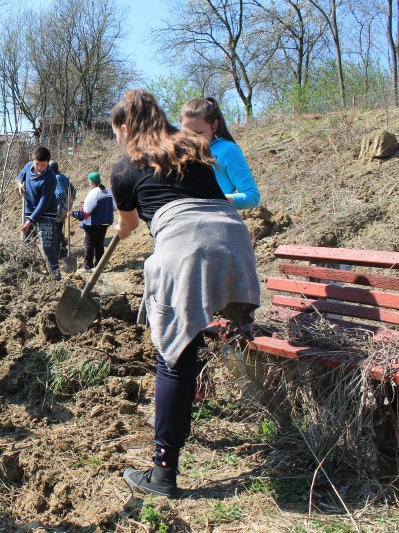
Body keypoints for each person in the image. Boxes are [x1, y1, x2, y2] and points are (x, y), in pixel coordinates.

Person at [110, 90, 260, 498]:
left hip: (186, 245)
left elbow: (129, 224)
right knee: (196, 338)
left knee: (174, 357)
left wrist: (121, 228)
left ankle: (162, 474)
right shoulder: (191, 146)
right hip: (232, 240)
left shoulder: (125, 167)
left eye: (116, 132)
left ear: (125, 128)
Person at [180, 97, 260, 210]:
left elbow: (253, 197)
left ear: (214, 125)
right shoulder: (178, 156)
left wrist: (217, 200)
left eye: (199, 132)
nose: (192, 139)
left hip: (218, 221)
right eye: (186, 133)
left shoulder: (227, 150)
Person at [16, 146, 60, 279]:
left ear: (48, 163)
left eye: (43, 165)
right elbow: (20, 175)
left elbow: (43, 203)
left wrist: (30, 221)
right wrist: (19, 184)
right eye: (37, 164)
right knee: (27, 244)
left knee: (48, 246)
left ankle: (56, 277)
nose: (40, 168)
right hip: (28, 210)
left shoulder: (50, 178)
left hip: (46, 214)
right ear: (33, 160)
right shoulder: (28, 166)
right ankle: (29, 275)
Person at [71, 171, 114, 273]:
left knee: (89, 244)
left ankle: (88, 267)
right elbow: (114, 207)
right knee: (99, 244)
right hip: (105, 222)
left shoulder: (93, 192)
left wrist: (73, 214)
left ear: (90, 182)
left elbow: (85, 213)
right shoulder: (108, 191)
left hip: (93, 223)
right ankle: (99, 266)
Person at [51, 161, 76, 260]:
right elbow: (73, 190)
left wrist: (51, 203)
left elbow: (60, 193)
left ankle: (58, 252)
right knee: (59, 227)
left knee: (55, 228)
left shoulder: (56, 178)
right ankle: (62, 249)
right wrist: (69, 201)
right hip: (66, 207)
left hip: (59, 208)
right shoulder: (62, 176)